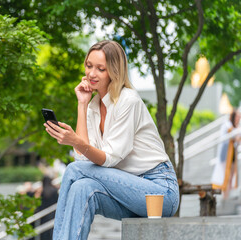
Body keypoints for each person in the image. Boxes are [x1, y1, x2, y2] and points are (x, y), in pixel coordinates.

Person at [43, 40, 180, 239]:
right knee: (82, 187)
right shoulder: (93, 106)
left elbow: (108, 160)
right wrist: (82, 105)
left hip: (158, 192)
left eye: (100, 69)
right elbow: (84, 161)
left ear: (114, 72)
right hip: (126, 192)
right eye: (89, 66)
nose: (91, 73)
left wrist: (75, 141)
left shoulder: (128, 100)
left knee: (73, 171)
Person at [211, 109, 241, 199]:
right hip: (225, 156)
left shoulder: (235, 127)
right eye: (237, 117)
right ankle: (225, 197)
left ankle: (228, 196)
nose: (238, 119)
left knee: (231, 175)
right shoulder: (227, 126)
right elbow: (228, 140)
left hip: (232, 156)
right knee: (225, 176)